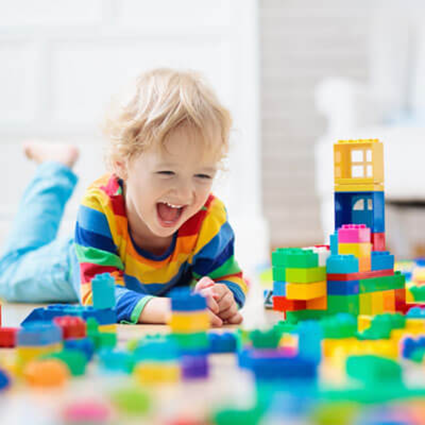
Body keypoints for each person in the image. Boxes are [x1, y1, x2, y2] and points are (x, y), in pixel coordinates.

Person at [0, 69, 247, 326]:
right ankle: (54, 169)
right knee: (7, 276)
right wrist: (168, 310)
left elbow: (229, 279)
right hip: (77, 262)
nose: (186, 193)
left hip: (137, 283)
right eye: (167, 172)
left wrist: (223, 296)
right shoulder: (100, 207)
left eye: (203, 176)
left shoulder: (208, 217)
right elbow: (100, 298)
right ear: (122, 165)